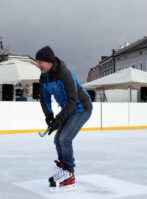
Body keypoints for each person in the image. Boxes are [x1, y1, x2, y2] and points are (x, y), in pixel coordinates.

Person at [36, 46, 93, 192]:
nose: (38, 65)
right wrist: (49, 116)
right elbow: (44, 99)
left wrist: (58, 120)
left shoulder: (64, 74)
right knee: (57, 140)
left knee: (64, 139)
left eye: (40, 61)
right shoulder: (43, 77)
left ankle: (70, 173)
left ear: (49, 62)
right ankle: (64, 170)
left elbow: (72, 100)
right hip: (68, 110)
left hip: (81, 108)